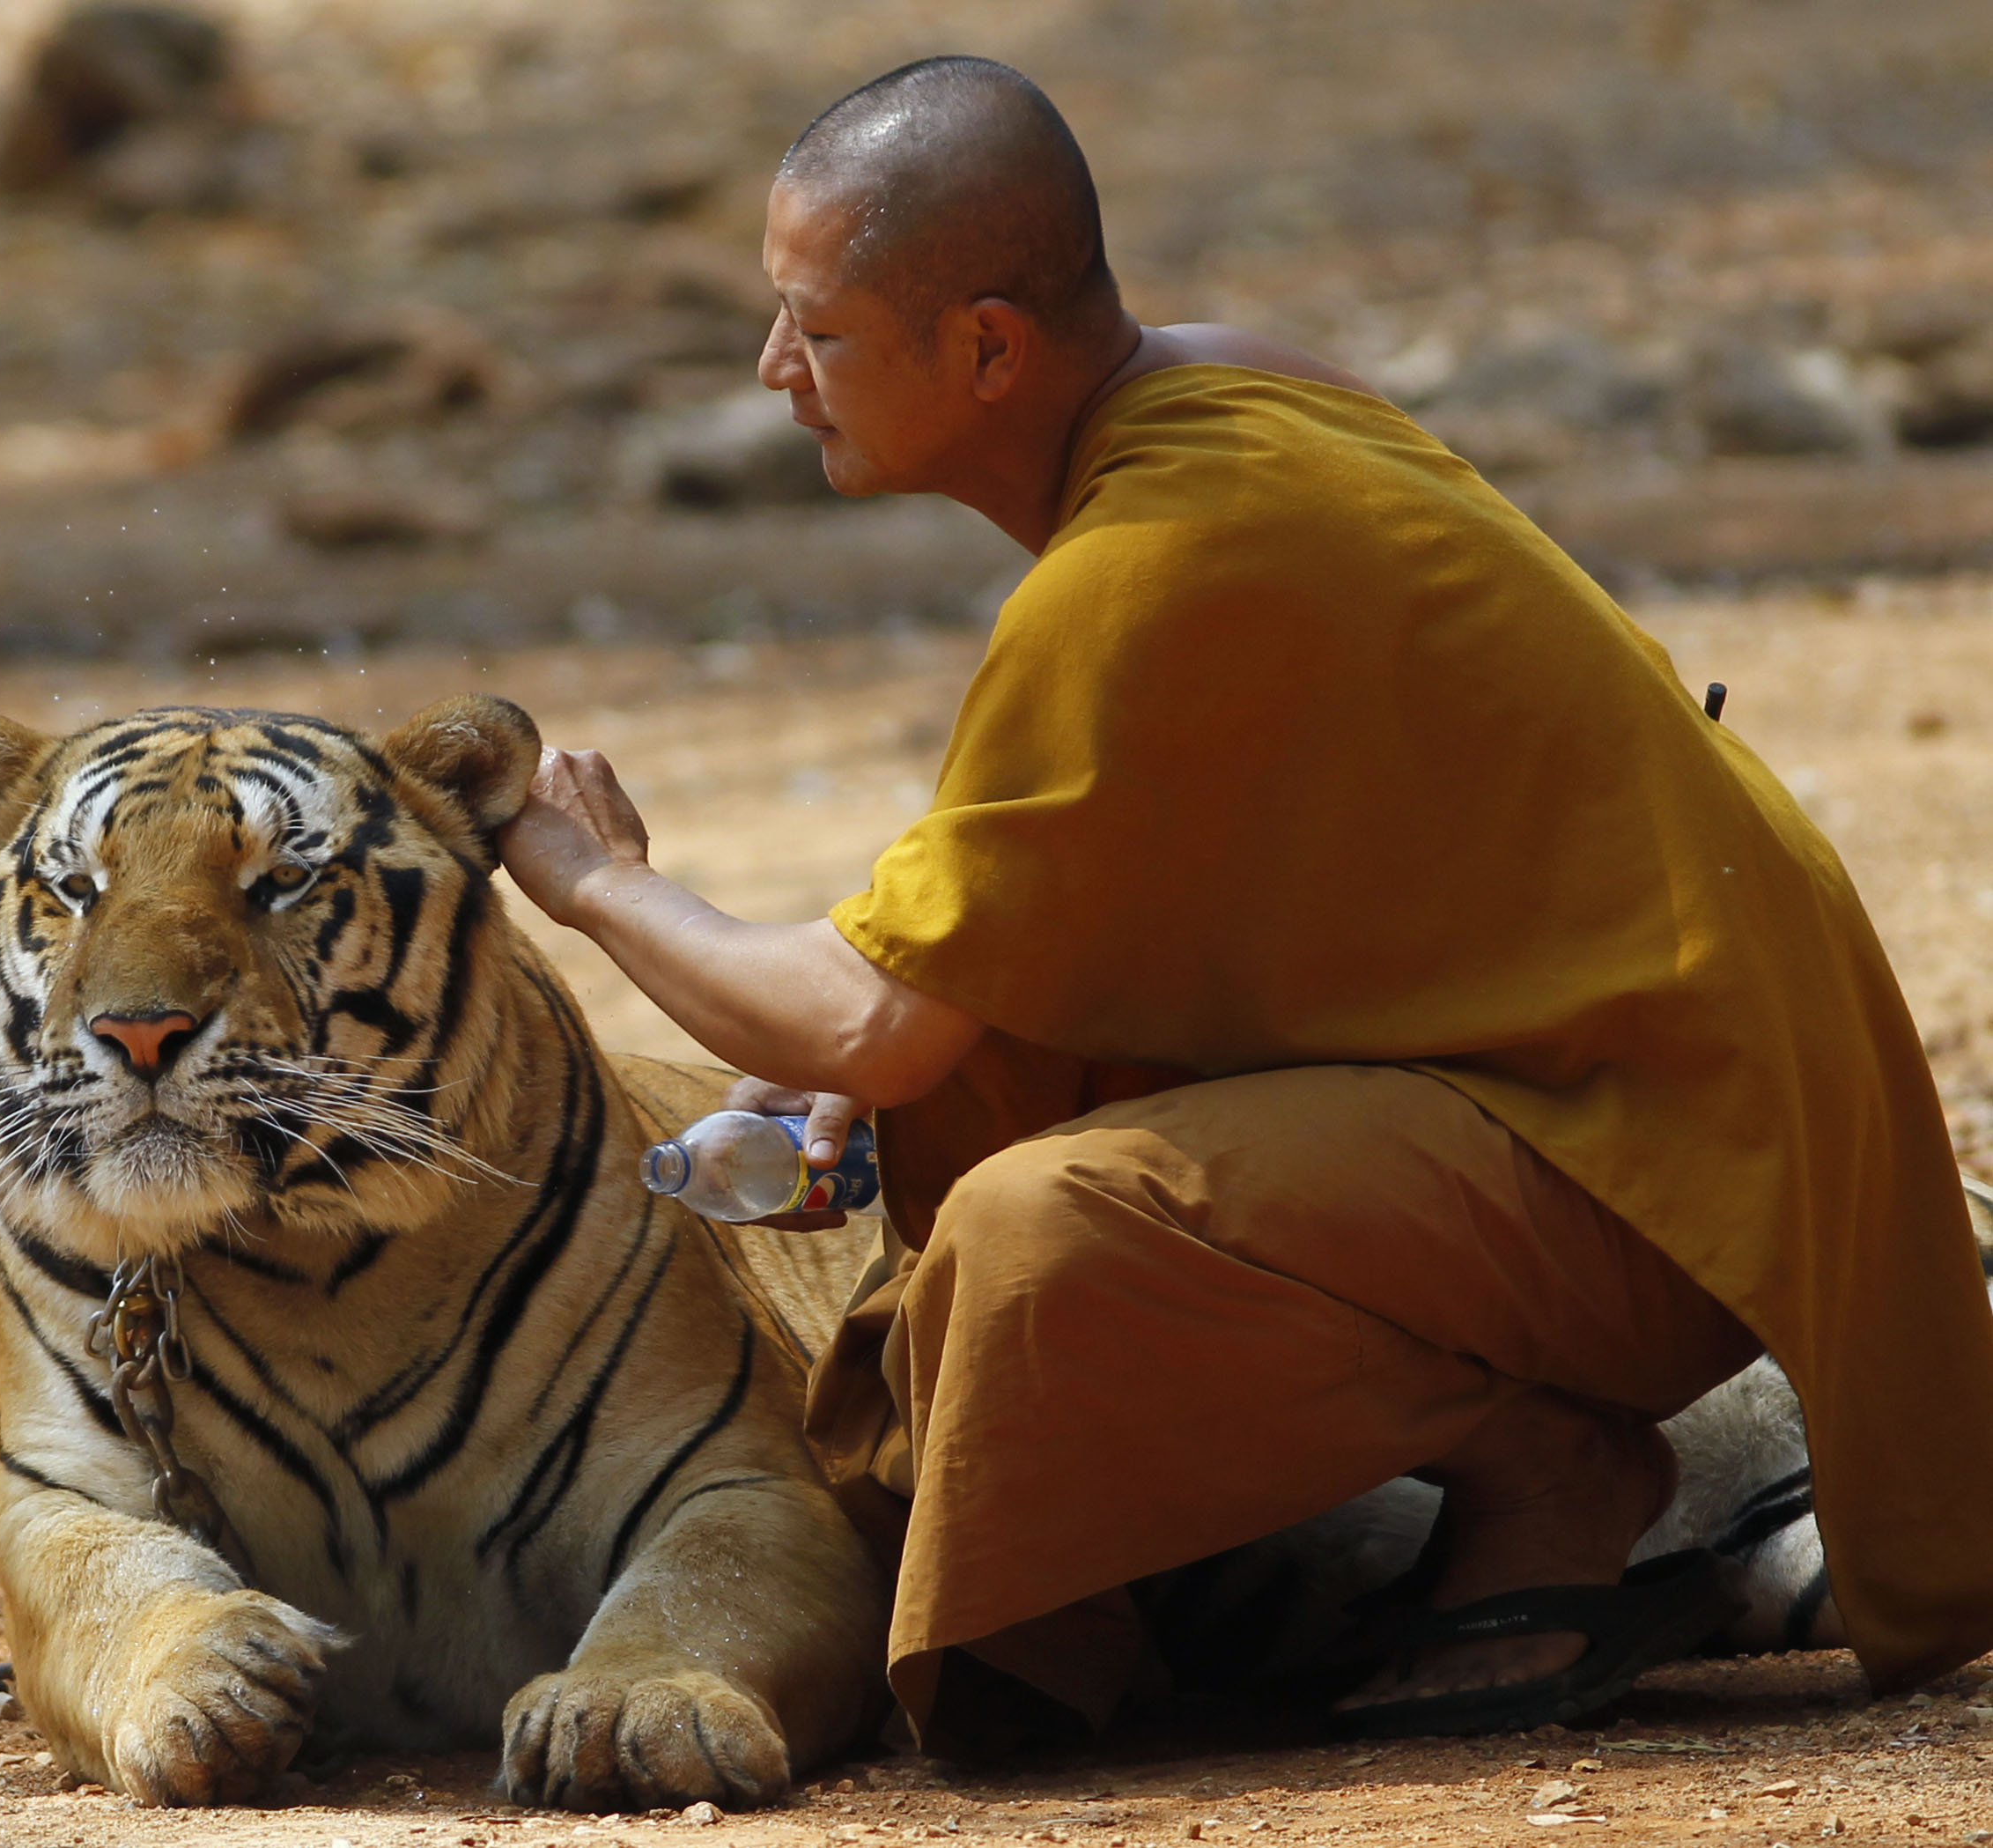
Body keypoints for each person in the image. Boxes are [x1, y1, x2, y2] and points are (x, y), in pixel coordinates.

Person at [494, 55, 1993, 1748]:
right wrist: (902, 1064)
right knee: (984, 1080)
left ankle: (1547, 1468)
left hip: (1678, 1158)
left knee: (1029, 1239)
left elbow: (860, 1016)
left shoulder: (1139, 569)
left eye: (816, 332)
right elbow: (1104, 906)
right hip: (1679, 1074)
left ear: (985, 347)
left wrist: (593, 882)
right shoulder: (1224, 392)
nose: (775, 374)